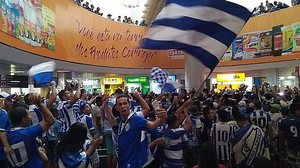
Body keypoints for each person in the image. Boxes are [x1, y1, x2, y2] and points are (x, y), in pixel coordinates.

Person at [103, 93, 167, 168]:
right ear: (117, 108)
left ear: (129, 105)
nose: (123, 106)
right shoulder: (120, 120)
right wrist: (106, 106)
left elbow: (152, 125)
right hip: (122, 161)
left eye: (125, 103)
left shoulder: (136, 119)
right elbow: (113, 122)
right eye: (120, 105)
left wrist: (161, 119)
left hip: (133, 163)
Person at [6, 94, 55, 167]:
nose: (31, 117)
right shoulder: (27, 133)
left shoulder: (6, 134)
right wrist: (39, 104)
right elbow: (50, 121)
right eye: (29, 115)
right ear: (24, 120)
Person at [278, 96, 300, 167]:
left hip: (290, 149)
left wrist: (282, 148)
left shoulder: (284, 121)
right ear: (296, 111)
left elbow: (281, 136)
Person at [0, 97, 13, 168]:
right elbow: (1, 131)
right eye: (9, 100)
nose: (12, 102)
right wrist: (7, 146)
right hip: (1, 152)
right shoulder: (2, 113)